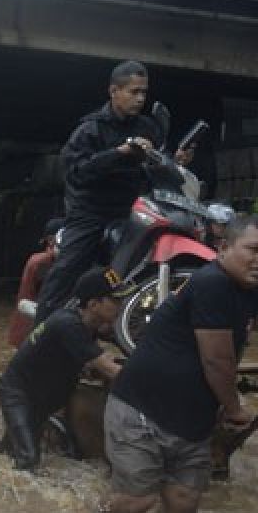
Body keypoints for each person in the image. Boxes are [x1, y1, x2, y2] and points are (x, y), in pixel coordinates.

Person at [99, 214, 258, 513]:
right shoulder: (213, 282)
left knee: (184, 503)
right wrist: (235, 408)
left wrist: (221, 406)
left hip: (190, 420)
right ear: (223, 248)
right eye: (253, 249)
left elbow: (233, 351)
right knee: (138, 502)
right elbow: (216, 359)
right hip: (142, 411)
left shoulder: (251, 294)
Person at [35, 60, 161, 323]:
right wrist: (119, 154)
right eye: (133, 92)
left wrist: (175, 160)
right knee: (67, 268)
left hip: (131, 210)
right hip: (91, 211)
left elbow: (159, 165)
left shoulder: (148, 127)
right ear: (114, 91)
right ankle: (40, 330)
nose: (140, 99)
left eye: (144, 93)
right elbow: (76, 172)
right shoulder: (90, 129)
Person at [0, 267, 130, 471]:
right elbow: (111, 371)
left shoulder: (90, 323)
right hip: (19, 394)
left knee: (9, 449)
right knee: (29, 459)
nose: (122, 305)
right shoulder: (69, 325)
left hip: (43, 395)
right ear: (94, 304)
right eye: (115, 300)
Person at [8, 218, 62, 348]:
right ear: (51, 240)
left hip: (30, 328)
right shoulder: (43, 262)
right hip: (32, 329)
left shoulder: (40, 260)